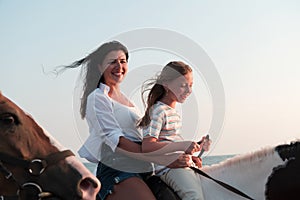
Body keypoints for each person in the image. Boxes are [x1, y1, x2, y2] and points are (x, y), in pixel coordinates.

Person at [58, 41, 202, 200]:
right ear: (100, 67)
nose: (119, 66)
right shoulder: (97, 98)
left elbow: (146, 141)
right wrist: (165, 160)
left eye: (123, 61)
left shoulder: (127, 101)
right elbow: (117, 143)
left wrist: (180, 156)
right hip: (119, 167)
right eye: (112, 62)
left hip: (144, 167)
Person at [138, 61, 211, 200]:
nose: (189, 90)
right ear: (166, 84)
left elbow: (168, 142)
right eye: (183, 85)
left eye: (191, 85)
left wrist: (195, 148)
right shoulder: (158, 111)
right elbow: (147, 146)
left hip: (177, 166)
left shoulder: (172, 112)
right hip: (168, 169)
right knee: (194, 197)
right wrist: (183, 145)